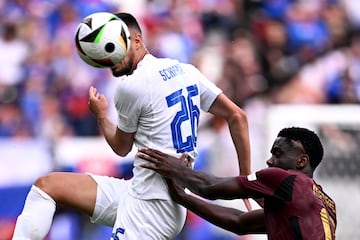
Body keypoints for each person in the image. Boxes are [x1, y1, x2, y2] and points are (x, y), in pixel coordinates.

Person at [12, 12, 251, 240]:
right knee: (47, 186)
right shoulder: (186, 71)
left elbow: (121, 148)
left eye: (116, 48)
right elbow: (237, 116)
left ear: (137, 39)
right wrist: (246, 180)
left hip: (153, 207)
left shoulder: (132, 86)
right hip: (141, 191)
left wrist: (101, 115)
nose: (111, 60)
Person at [137, 127, 337, 239]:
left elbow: (210, 187)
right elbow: (239, 222)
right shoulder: (324, 205)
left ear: (302, 161)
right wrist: (182, 197)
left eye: (278, 154)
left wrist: (174, 168)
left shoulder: (288, 180)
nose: (270, 161)